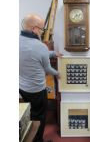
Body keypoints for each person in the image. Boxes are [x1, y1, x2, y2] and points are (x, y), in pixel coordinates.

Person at [19, 13, 62, 142]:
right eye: (42, 29)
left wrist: (53, 53)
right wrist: (58, 73)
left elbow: (35, 53)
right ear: (34, 29)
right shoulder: (40, 46)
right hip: (37, 90)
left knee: (29, 113)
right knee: (39, 117)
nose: (42, 32)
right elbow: (47, 69)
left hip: (21, 87)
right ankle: (38, 140)